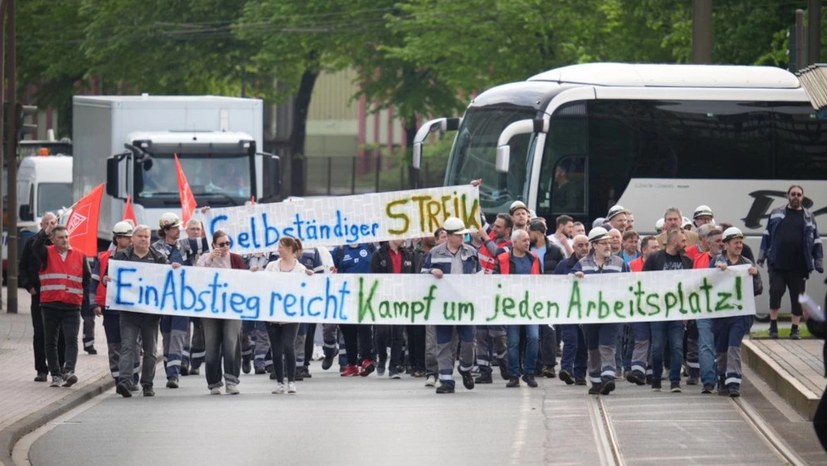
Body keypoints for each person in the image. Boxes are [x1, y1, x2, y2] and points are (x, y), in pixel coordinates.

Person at [421, 217, 480, 394]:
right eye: (459, 235)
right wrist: (432, 271)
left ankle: (466, 368)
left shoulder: (471, 252)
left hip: (465, 305)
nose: (463, 237)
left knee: (469, 341)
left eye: (464, 234)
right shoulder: (435, 253)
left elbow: (480, 276)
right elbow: (421, 274)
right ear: (448, 236)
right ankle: (446, 381)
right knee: (444, 343)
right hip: (443, 305)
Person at [112, 225, 172, 398]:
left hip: (150, 314)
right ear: (133, 238)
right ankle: (124, 382)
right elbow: (111, 278)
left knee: (150, 350)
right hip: (129, 312)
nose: (144, 239)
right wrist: (105, 279)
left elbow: (168, 281)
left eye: (146, 236)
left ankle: (147, 384)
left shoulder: (159, 258)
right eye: (140, 236)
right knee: (128, 347)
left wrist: (174, 270)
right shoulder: (122, 256)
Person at [759, 185, 823, 340]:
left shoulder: (809, 217)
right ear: (787, 195)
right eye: (793, 194)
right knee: (775, 292)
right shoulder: (776, 214)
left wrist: (818, 262)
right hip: (777, 264)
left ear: (802, 197)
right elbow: (766, 235)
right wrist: (761, 256)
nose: (796, 197)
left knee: (797, 298)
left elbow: (816, 240)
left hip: (799, 266)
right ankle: (773, 326)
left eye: (799, 194)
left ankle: (795, 329)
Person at [572, 227, 630, 395]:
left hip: (612, 312)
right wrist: (576, 276)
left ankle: (608, 377)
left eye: (608, 242)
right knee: (593, 347)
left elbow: (630, 283)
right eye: (604, 243)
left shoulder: (619, 264)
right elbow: (568, 280)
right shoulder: (583, 263)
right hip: (590, 313)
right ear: (594, 245)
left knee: (607, 344)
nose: (608, 246)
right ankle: (596, 380)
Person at [33, 225, 91, 387]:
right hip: (50, 304)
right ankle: (56, 374)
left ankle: (69, 371)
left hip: (72, 305)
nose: (65, 240)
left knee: (71, 339)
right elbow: (35, 247)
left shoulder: (80, 255)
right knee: (50, 341)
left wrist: (83, 299)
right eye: (60, 237)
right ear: (52, 240)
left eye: (66, 236)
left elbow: (86, 280)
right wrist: (44, 232)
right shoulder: (45, 253)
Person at [713, 227, 763, 397]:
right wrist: (715, 272)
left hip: (739, 315)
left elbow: (758, 289)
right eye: (736, 242)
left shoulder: (747, 263)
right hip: (720, 315)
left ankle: (734, 381)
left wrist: (755, 275)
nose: (739, 246)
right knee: (721, 349)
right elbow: (706, 286)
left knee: (734, 346)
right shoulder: (716, 262)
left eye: (741, 242)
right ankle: (722, 377)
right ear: (726, 245)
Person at [195, 231, 247, 395]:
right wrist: (210, 259)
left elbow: (244, 281)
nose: (225, 247)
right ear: (213, 245)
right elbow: (196, 277)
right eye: (221, 244)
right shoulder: (204, 258)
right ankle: (214, 383)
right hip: (210, 308)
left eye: (227, 243)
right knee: (211, 345)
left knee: (231, 343)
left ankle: (231, 381)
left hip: (232, 308)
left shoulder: (236, 259)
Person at [643, 228, 692, 393]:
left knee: (677, 347)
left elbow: (690, 287)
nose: (686, 244)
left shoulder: (686, 261)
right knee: (657, 347)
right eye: (683, 241)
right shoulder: (655, 259)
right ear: (674, 241)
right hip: (658, 311)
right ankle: (656, 379)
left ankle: (675, 381)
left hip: (678, 312)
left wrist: (687, 311)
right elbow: (643, 281)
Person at [20, 212, 64, 382]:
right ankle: (41, 369)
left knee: (59, 334)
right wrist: (28, 286)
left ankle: (60, 367)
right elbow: (23, 266)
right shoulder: (32, 242)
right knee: (40, 333)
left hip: (57, 295)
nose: (50, 226)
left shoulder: (61, 242)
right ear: (41, 226)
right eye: (47, 223)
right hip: (38, 295)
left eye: (53, 223)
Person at [495, 229, 542, 388]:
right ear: (514, 243)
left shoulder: (534, 259)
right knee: (513, 342)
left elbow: (541, 280)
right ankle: (514, 375)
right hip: (512, 306)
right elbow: (495, 282)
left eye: (528, 240)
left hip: (531, 305)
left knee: (534, 338)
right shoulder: (502, 259)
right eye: (524, 240)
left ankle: (529, 373)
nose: (527, 243)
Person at [265, 237, 311, 394]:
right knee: (276, 350)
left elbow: (307, 289)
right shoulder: (271, 266)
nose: (279, 249)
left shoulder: (300, 269)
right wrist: (254, 274)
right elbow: (261, 283)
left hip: (291, 314)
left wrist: (310, 278)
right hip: (273, 314)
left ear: (291, 249)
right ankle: (279, 382)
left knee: (288, 346)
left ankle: (291, 381)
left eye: (282, 247)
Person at [90, 221, 135, 381]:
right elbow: (94, 282)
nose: (128, 241)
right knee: (114, 345)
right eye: (125, 237)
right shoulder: (103, 258)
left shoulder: (137, 257)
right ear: (117, 239)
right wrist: (94, 303)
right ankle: (118, 379)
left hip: (131, 309)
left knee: (132, 345)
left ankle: (132, 377)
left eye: (130, 237)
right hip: (110, 308)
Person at [152, 212, 190, 389]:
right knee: (167, 337)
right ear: (165, 229)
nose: (178, 230)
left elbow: (209, 240)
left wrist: (208, 215)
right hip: (164, 301)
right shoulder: (155, 249)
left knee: (178, 336)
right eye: (175, 228)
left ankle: (173, 375)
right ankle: (170, 368)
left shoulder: (186, 247)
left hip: (182, 300)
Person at [371, 240, 416, 378]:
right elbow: (373, 277)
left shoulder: (408, 255)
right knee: (381, 331)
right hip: (384, 298)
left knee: (398, 333)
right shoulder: (378, 255)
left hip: (401, 299)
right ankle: (382, 357)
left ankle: (394, 367)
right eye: (401, 236)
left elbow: (413, 277)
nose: (404, 239)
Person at [333, 242, 377, 376]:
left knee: (364, 327)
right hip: (346, 296)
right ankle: (351, 364)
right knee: (348, 331)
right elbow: (332, 270)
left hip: (366, 295)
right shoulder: (339, 250)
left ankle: (366, 359)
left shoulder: (369, 247)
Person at [529, 220, 565, 378]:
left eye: (530, 233)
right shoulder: (527, 249)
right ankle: (536, 364)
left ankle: (549, 365)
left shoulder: (555, 251)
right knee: (533, 332)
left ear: (537, 233)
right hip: (531, 294)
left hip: (550, 294)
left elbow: (562, 269)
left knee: (549, 330)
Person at [691, 226, 724, 394]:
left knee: (721, 345)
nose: (721, 245)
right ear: (708, 244)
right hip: (704, 307)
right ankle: (708, 381)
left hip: (723, 309)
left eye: (723, 241)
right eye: (718, 242)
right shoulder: (699, 259)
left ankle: (722, 377)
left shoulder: (730, 260)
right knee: (705, 345)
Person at [625, 236, 661, 387]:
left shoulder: (661, 264)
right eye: (654, 247)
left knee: (655, 341)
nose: (658, 250)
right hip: (638, 308)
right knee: (641, 339)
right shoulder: (632, 265)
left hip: (658, 309)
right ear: (644, 250)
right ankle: (638, 371)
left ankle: (651, 371)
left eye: (658, 247)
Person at [555, 234, 590, 386]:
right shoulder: (563, 265)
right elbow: (554, 285)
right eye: (580, 245)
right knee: (571, 340)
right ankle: (566, 370)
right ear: (573, 248)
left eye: (586, 245)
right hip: (568, 310)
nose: (584, 248)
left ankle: (580, 374)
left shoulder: (593, 265)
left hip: (587, 311)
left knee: (583, 343)